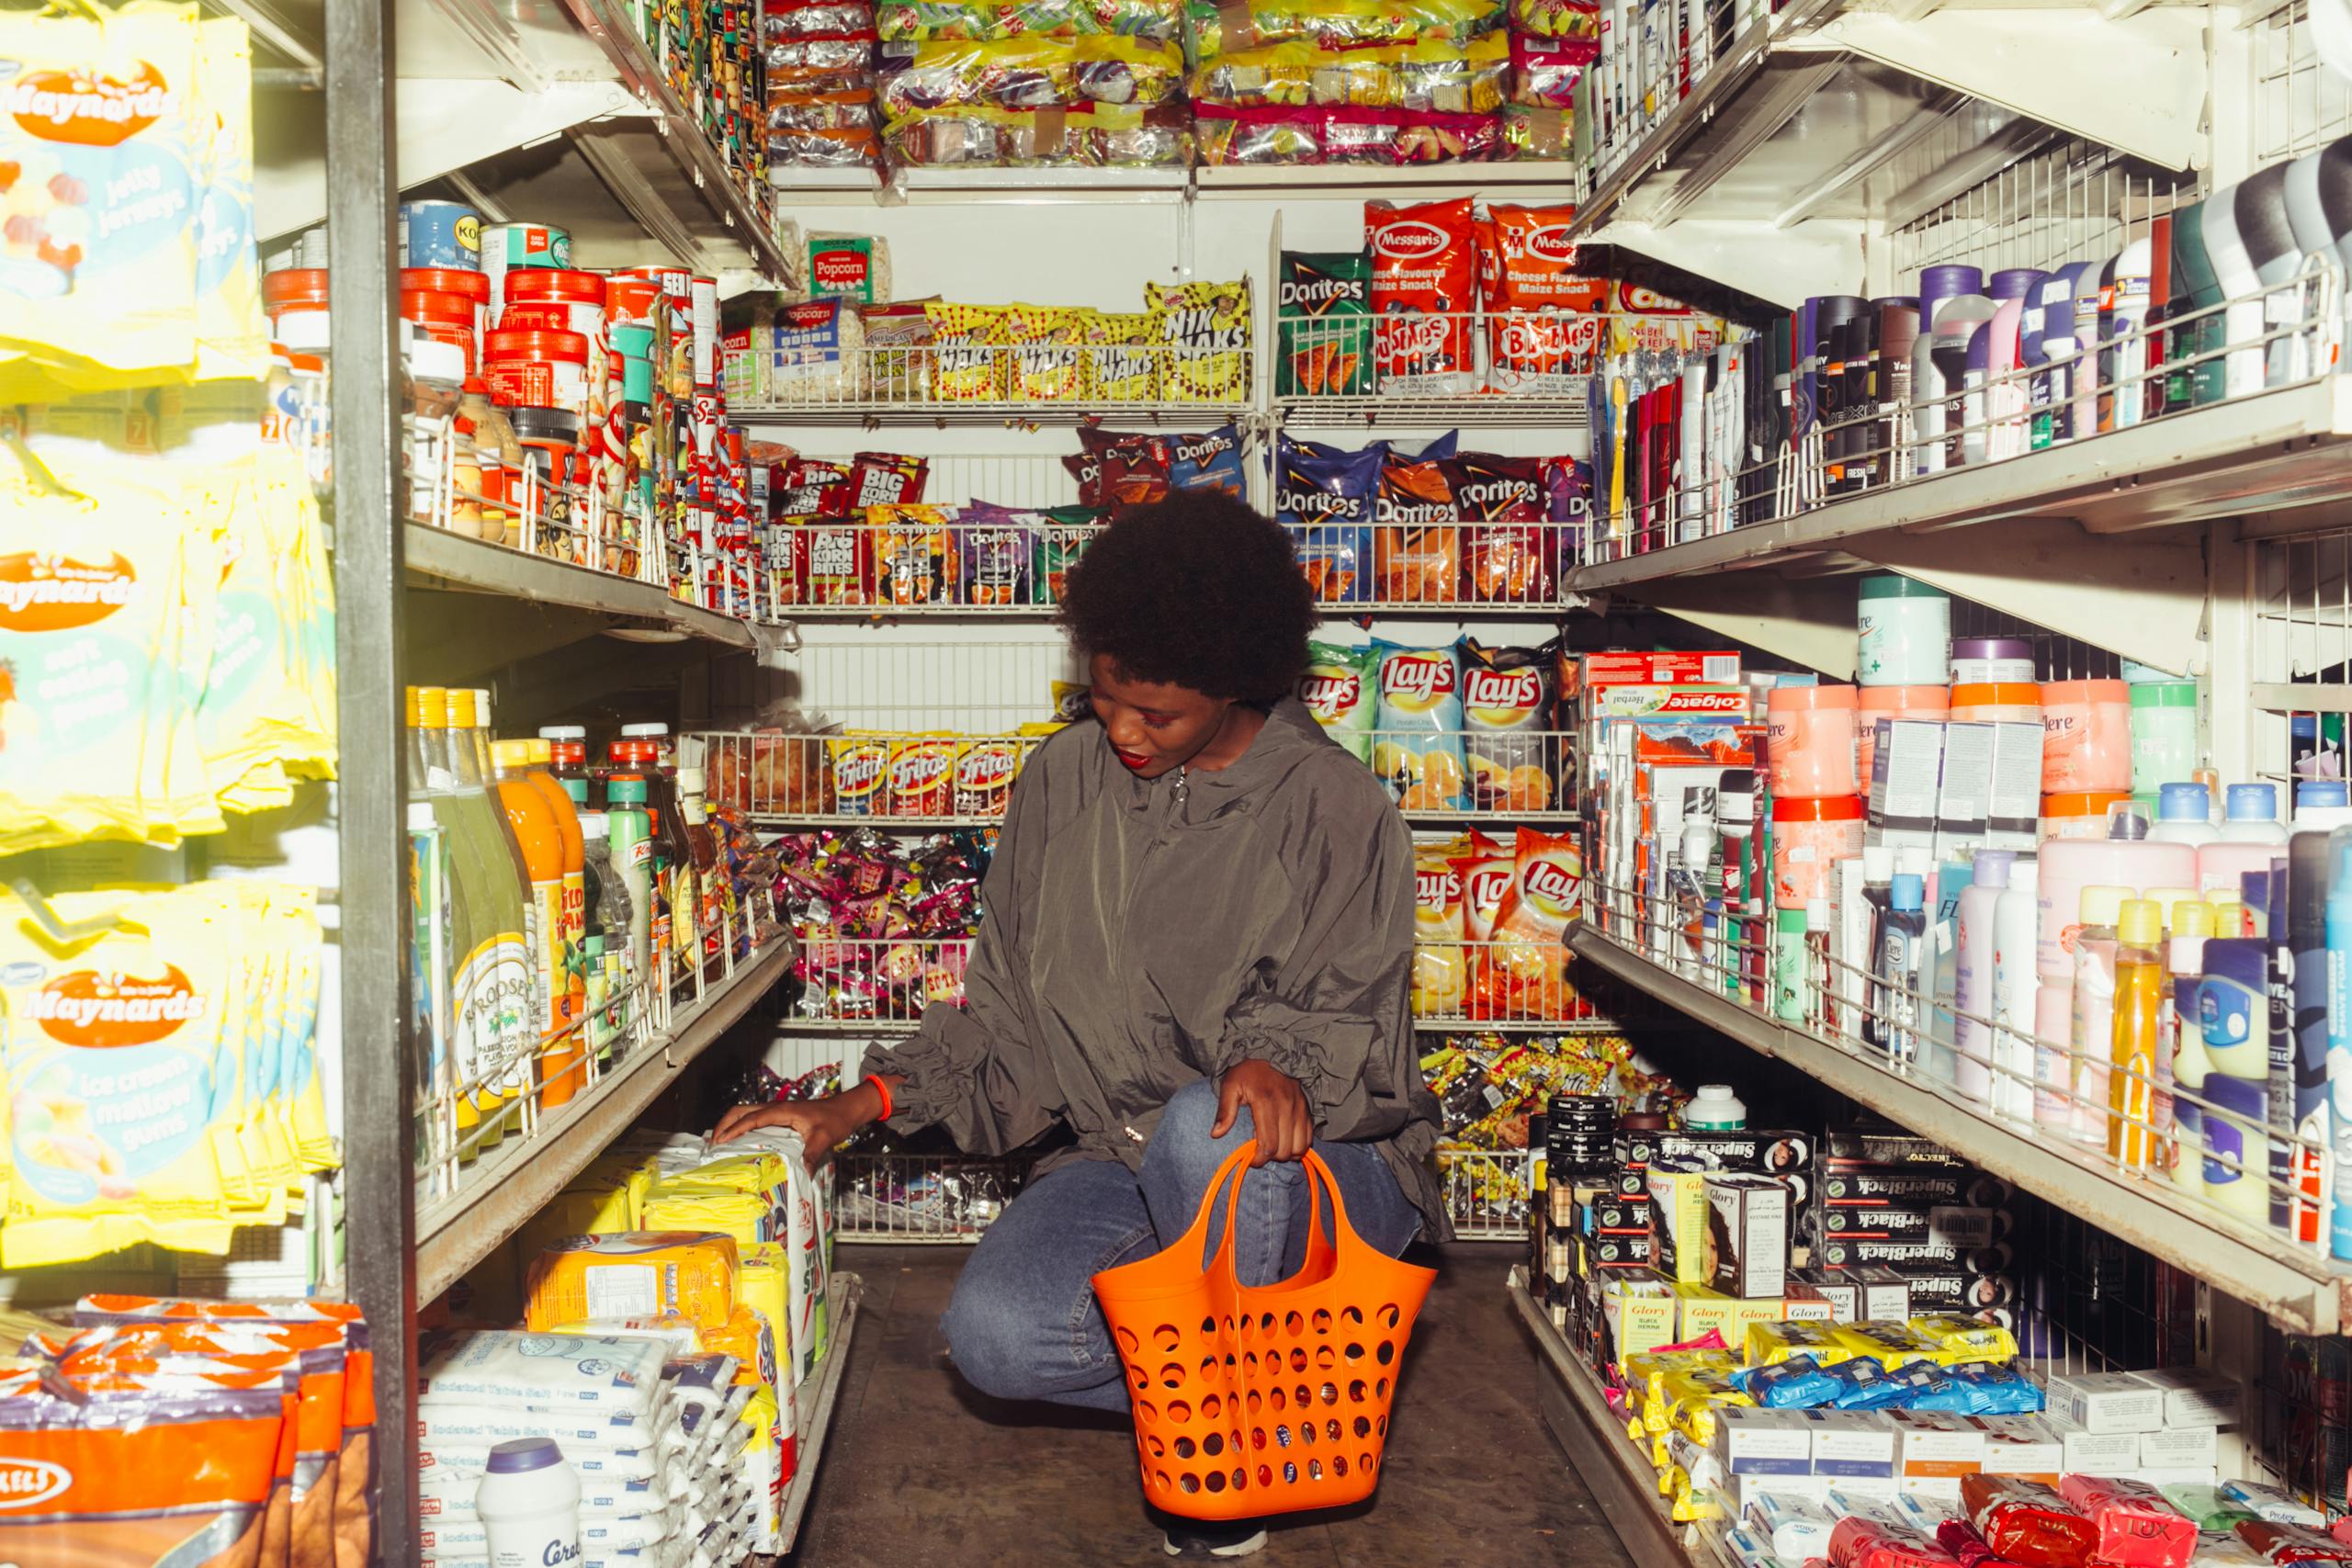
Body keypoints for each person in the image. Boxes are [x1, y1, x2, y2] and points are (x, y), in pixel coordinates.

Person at [716, 490, 1445, 1560]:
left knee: (1213, 1122)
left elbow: (1350, 1015)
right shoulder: (1059, 781)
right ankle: (1270, 1415)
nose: (1124, 733)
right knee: (994, 1341)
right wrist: (854, 1104)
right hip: (1121, 1154)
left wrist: (1281, 1065)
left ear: (1238, 687)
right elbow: (1004, 1013)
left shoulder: (1335, 806)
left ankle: (1223, 1484)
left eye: (1161, 714)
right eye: (1106, 699)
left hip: (1315, 1171)